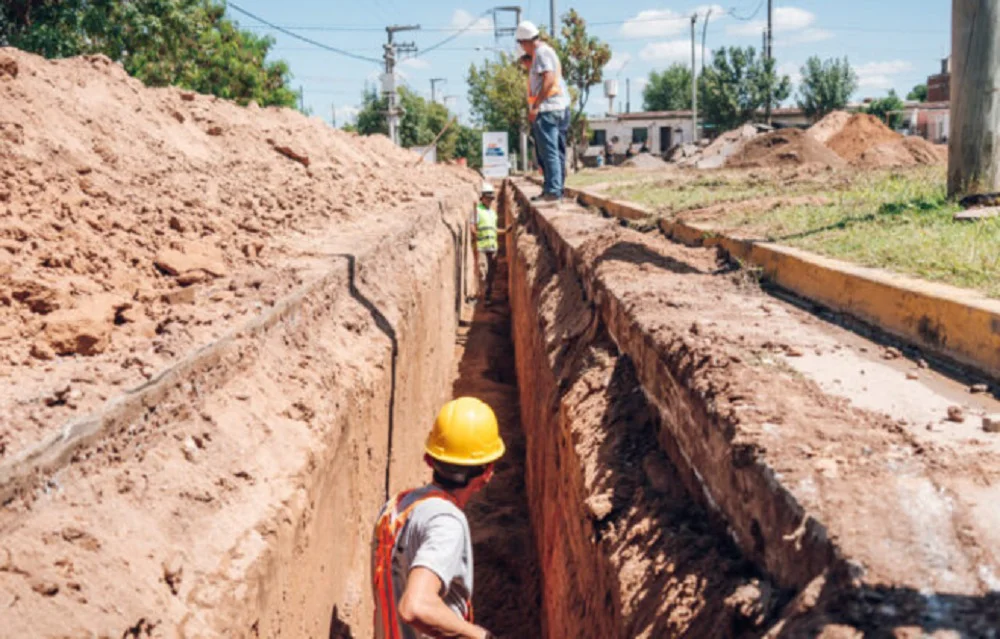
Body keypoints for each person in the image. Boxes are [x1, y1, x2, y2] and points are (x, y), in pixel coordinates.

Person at [372, 397, 505, 639]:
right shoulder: (446, 524)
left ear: (429, 459)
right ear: (487, 472)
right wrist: (480, 636)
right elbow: (415, 607)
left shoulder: (395, 508)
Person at [516, 20, 568, 202]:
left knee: (549, 151)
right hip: (557, 107)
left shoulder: (541, 52)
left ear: (525, 41)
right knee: (555, 151)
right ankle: (555, 189)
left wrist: (536, 106)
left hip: (548, 109)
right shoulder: (546, 51)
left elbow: (548, 78)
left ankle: (553, 191)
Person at [471, 182, 499, 305]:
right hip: (482, 246)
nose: (490, 200)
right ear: (482, 197)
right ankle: (481, 296)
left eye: (491, 198)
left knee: (491, 274)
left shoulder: (493, 213)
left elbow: (494, 229)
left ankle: (488, 295)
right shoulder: (477, 211)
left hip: (493, 247)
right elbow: (472, 226)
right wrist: (476, 235)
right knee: (483, 272)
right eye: (487, 198)